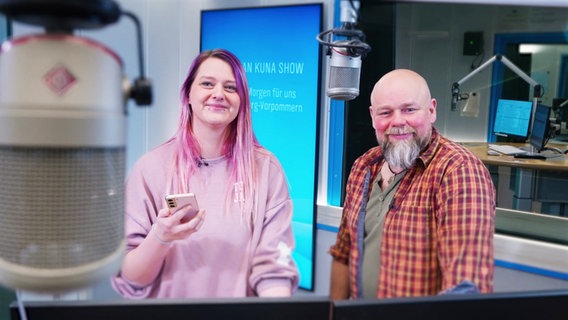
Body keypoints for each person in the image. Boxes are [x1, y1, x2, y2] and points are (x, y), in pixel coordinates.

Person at [111, 49, 299, 298]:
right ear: (188, 94)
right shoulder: (150, 169)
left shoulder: (266, 170)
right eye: (207, 84)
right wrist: (160, 236)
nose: (218, 94)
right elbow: (131, 276)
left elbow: (274, 270)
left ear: (242, 100)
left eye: (231, 88)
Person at [329, 69, 495, 299]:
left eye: (409, 109)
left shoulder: (458, 171)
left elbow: (464, 288)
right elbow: (343, 254)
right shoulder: (364, 166)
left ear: (432, 110)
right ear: (372, 116)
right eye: (385, 112)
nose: (398, 121)